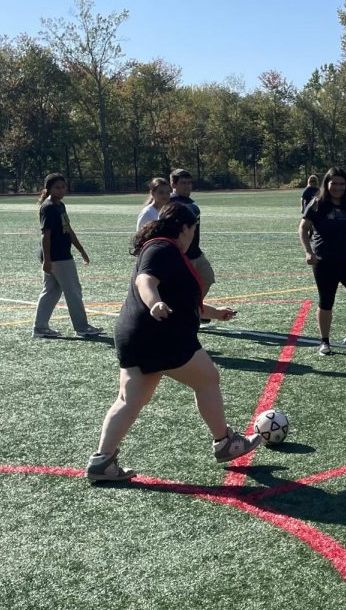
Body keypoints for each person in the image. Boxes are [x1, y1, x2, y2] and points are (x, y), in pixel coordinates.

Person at [86, 202, 260, 483]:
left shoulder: (166, 250)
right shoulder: (162, 248)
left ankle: (102, 461)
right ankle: (225, 442)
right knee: (207, 379)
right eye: (194, 229)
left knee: (129, 400)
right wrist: (154, 304)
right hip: (161, 335)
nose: (194, 235)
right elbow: (146, 281)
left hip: (135, 335)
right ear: (185, 228)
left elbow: (185, 301)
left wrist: (216, 313)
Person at [299, 167, 346, 355]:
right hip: (323, 261)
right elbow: (302, 228)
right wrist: (308, 252)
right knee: (326, 301)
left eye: (342, 184)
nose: (338, 187)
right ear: (327, 183)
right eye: (334, 183)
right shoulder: (317, 204)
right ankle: (324, 341)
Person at [33, 173, 101, 339]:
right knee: (73, 291)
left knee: (51, 292)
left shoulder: (59, 206)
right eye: (57, 187)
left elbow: (68, 230)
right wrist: (47, 259)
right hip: (58, 257)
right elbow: (45, 235)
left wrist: (81, 250)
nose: (61, 190)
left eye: (63, 186)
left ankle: (40, 327)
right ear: (49, 189)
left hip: (61, 255)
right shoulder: (48, 207)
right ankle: (82, 327)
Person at [169, 169, 216, 298]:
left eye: (189, 183)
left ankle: (195, 309)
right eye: (183, 183)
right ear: (173, 185)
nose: (187, 186)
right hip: (181, 254)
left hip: (195, 252)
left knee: (207, 278)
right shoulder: (170, 204)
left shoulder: (191, 203)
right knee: (179, 287)